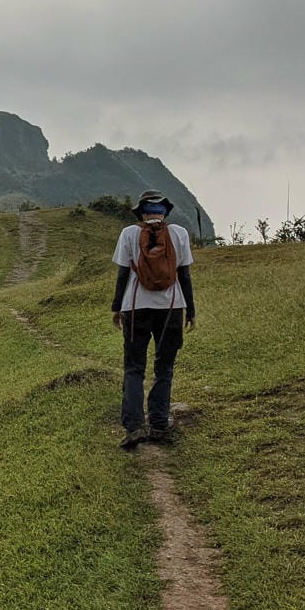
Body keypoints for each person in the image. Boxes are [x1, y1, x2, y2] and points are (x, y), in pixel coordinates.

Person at [110, 190, 196, 448]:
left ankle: (134, 426)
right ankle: (159, 423)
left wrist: (116, 308)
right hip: (171, 307)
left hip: (136, 307)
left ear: (142, 212)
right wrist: (190, 310)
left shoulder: (129, 234)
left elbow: (123, 275)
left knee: (134, 367)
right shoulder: (179, 234)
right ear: (164, 212)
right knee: (165, 366)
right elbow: (185, 275)